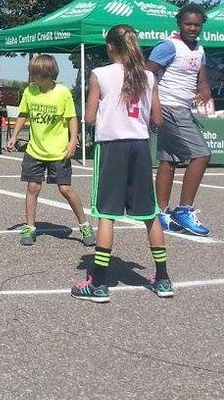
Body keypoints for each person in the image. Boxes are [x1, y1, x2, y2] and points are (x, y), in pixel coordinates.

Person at [72, 24, 173, 302]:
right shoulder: (149, 76)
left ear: (110, 47)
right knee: (149, 213)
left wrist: (103, 109)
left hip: (112, 147)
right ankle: (162, 279)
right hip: (140, 146)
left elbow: (90, 117)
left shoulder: (100, 74)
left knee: (107, 212)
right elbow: (157, 119)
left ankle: (100, 283)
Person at [4, 54, 96, 248]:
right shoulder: (30, 91)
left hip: (58, 151)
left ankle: (85, 225)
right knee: (32, 187)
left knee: (65, 189)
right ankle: (30, 227)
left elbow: (72, 118)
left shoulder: (62, 92)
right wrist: (13, 135)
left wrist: (72, 142)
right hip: (35, 150)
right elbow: (23, 114)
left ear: (46, 74)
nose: (31, 77)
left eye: (34, 74)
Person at [148, 4, 213, 236]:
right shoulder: (168, 46)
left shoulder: (199, 50)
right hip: (169, 106)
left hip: (183, 107)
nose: (193, 28)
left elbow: (201, 78)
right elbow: (148, 73)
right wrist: (153, 105)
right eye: (188, 24)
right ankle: (184, 210)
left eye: (197, 24)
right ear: (179, 23)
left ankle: (161, 212)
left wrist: (205, 88)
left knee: (170, 158)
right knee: (202, 154)